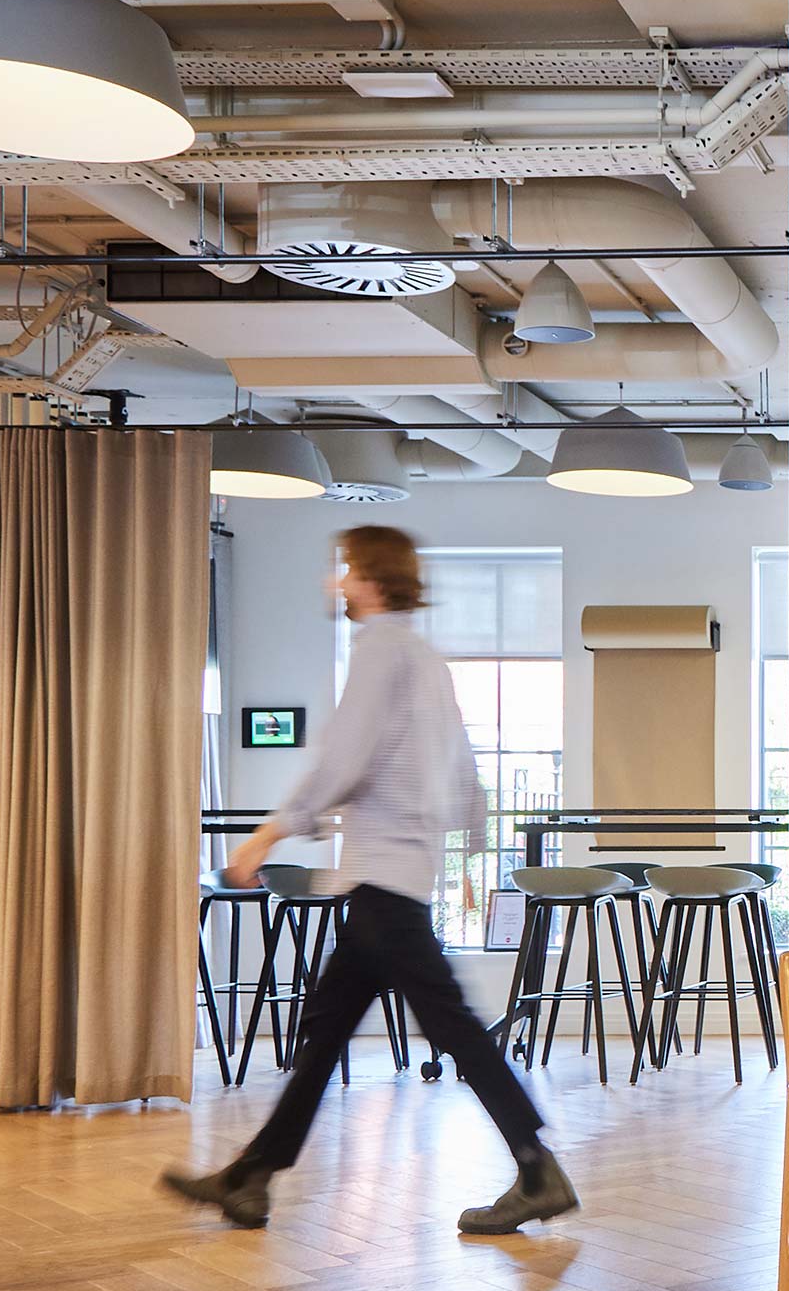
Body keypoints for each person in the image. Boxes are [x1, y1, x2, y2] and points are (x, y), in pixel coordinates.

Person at [163, 526, 578, 1235]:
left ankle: (537, 1167)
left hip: (382, 881)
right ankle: (252, 1177)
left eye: (344, 570)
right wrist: (468, 847)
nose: (336, 584)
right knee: (326, 1033)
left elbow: (343, 762)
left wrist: (267, 834)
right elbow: (462, 774)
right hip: (394, 875)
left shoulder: (381, 652)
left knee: (451, 1027)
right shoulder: (426, 660)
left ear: (369, 577)